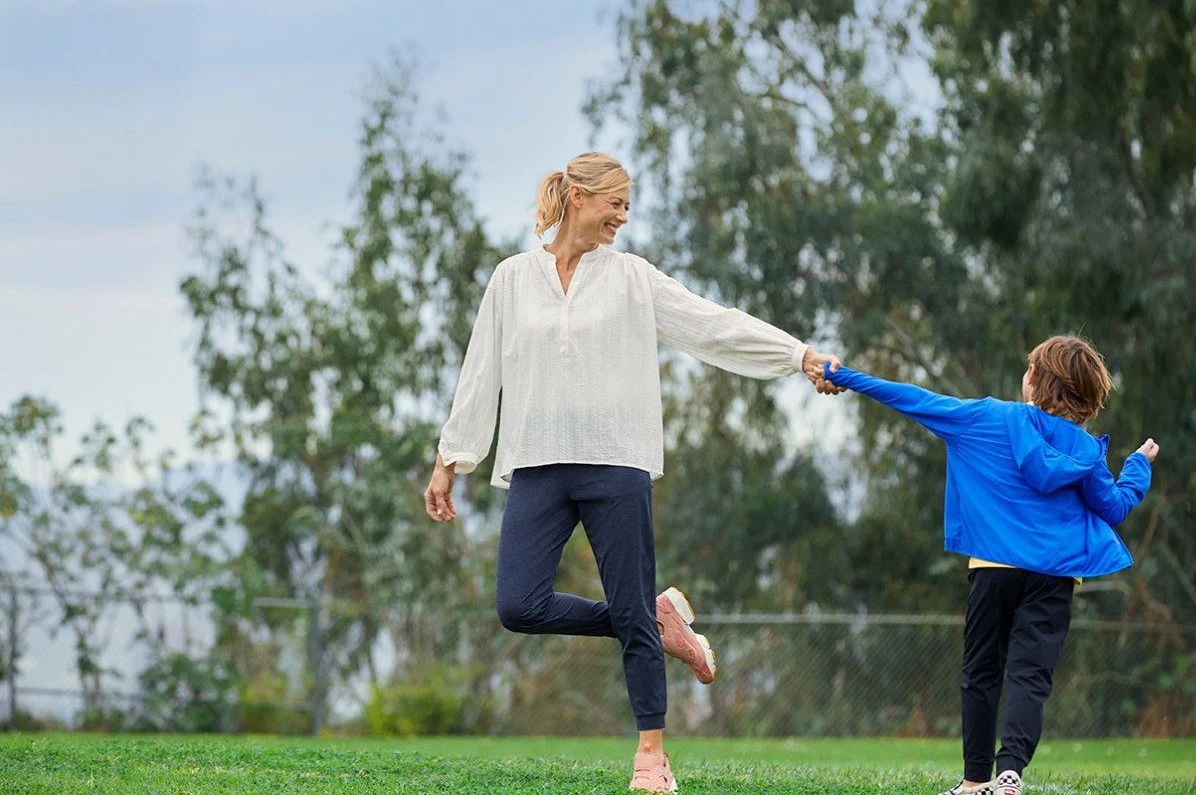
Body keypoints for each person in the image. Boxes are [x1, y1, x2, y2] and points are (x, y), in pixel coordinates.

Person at [424, 151, 842, 793]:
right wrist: (450, 459)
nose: (623, 215)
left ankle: (652, 756)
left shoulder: (632, 279)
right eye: (614, 202)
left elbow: (713, 327)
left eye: (627, 204)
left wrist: (797, 355)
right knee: (519, 604)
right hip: (536, 464)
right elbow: (482, 371)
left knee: (624, 606)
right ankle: (654, 616)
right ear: (577, 198)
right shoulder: (511, 279)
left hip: (615, 461)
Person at [822, 335, 1158, 795]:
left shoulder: (987, 418)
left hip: (993, 570)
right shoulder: (1083, 451)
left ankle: (974, 780)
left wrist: (842, 375)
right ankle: (1009, 775)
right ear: (1083, 397)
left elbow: (911, 398)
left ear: (1035, 380)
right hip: (1054, 577)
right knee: (1029, 675)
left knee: (980, 671)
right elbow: (1115, 508)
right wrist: (1138, 464)